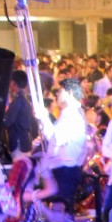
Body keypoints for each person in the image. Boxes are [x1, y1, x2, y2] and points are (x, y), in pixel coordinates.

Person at [33, 79, 88, 207]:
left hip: (66, 172)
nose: (57, 94)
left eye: (60, 90)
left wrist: (44, 117)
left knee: (61, 212)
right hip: (61, 170)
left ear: (69, 92)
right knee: (58, 211)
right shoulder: (67, 113)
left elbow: (56, 138)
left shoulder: (73, 115)